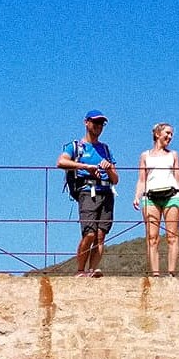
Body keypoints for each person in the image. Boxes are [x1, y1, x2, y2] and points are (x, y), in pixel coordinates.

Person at [57, 110, 118, 277]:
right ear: (86, 122)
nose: (98, 126)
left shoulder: (105, 149)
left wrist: (108, 168)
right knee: (89, 233)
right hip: (87, 192)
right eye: (95, 122)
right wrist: (87, 168)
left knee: (100, 235)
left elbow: (116, 178)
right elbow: (61, 162)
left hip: (106, 192)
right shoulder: (76, 146)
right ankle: (80, 271)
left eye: (101, 123)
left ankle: (92, 270)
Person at [133, 122, 179, 277]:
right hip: (151, 197)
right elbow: (141, 179)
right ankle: (155, 275)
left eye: (172, 134)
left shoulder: (173, 155)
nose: (170, 136)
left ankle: (172, 274)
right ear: (157, 134)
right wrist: (137, 196)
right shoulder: (145, 156)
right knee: (152, 238)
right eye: (167, 133)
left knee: (172, 236)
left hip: (172, 196)